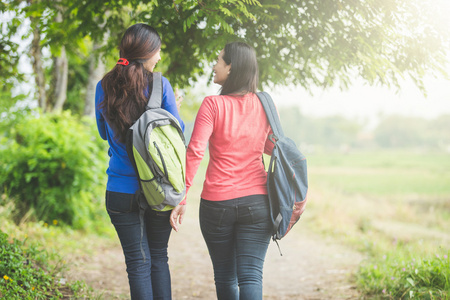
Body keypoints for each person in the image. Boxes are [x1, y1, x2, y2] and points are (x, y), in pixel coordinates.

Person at [170, 42, 274, 300]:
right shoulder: (265, 104)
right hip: (257, 202)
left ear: (231, 67)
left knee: (226, 275)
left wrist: (182, 197)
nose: (214, 65)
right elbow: (273, 147)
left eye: (219, 60)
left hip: (218, 204)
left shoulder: (212, 105)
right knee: (251, 276)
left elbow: (195, 151)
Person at [95, 23, 184, 300]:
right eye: (158, 51)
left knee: (137, 264)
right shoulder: (161, 84)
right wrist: (175, 107)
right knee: (158, 257)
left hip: (120, 190)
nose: (159, 56)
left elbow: (102, 134)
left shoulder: (104, 86)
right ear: (148, 52)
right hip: (158, 188)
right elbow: (176, 140)